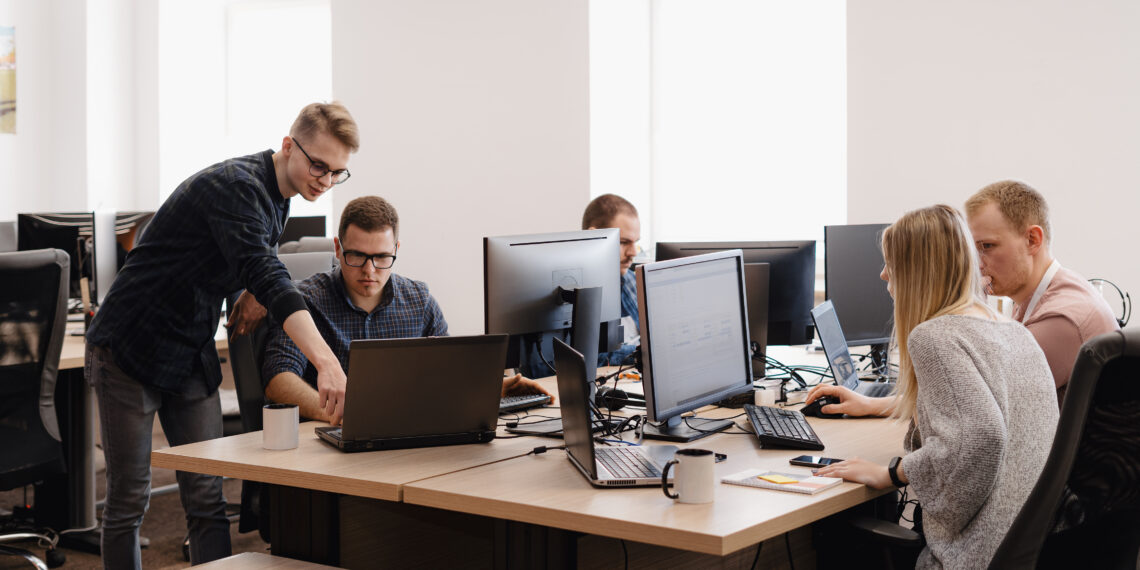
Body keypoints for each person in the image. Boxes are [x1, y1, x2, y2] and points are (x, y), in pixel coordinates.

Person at [85, 102, 359, 568]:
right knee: (130, 501)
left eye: (338, 173)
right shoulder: (236, 185)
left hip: (189, 351)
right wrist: (328, 364)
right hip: (129, 348)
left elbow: (246, 257)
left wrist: (249, 286)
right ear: (289, 145)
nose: (326, 180)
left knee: (209, 498)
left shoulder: (281, 192)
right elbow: (268, 272)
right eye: (319, 165)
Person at [810, 205, 1058, 569]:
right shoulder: (1012, 330)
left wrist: (890, 474)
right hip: (1031, 547)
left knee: (832, 537)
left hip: (976, 555)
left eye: (890, 264)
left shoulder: (935, 336)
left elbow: (979, 437)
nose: (882, 274)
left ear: (915, 271)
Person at [262, 196, 551, 423]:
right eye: (357, 256)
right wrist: (339, 414)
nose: (369, 270)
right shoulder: (305, 301)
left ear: (396, 249)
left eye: (382, 257)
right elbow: (279, 381)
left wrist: (495, 387)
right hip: (333, 441)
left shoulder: (419, 300)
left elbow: (448, 374)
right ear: (338, 249)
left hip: (407, 437)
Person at [965, 180, 1119, 404]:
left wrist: (966, 304)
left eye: (987, 246)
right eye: (973, 249)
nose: (977, 264)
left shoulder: (1061, 319)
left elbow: (976, 405)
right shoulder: (1041, 295)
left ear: (1032, 240)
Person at [581, 193, 641, 367]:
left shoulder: (631, 281)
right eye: (623, 242)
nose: (633, 253)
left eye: (635, 242)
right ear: (593, 237)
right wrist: (644, 354)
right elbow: (588, 357)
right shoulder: (570, 294)